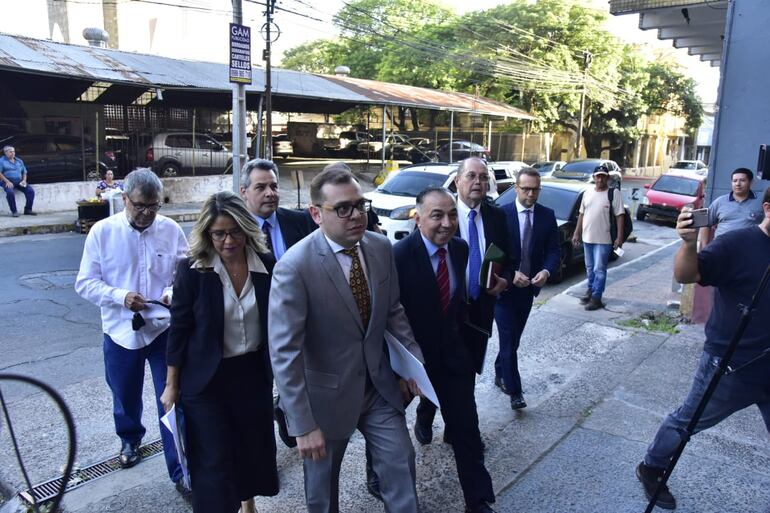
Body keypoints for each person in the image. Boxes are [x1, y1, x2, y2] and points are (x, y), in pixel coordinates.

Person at [268, 166, 423, 513]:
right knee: (322, 495)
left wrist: (414, 367)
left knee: (401, 465)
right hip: (324, 402)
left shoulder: (381, 248)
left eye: (359, 204)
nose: (355, 215)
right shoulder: (295, 267)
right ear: (315, 214)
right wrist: (302, 424)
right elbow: (284, 353)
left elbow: (394, 311)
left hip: (379, 388)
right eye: (342, 208)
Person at [636, 187, 770, 511]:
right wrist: (686, 242)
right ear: (767, 208)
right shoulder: (739, 243)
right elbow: (687, 273)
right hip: (730, 366)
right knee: (688, 421)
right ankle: (651, 466)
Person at [161, 191, 279, 513]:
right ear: (207, 234)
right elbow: (179, 329)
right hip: (206, 379)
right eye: (219, 234)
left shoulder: (266, 265)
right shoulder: (193, 270)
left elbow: (279, 322)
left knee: (248, 446)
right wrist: (171, 385)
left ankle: (248, 504)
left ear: (246, 227)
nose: (228, 241)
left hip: (252, 374)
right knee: (213, 458)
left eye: (235, 231)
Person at [75, 169, 187, 492]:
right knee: (124, 394)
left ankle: (181, 470)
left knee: (172, 400)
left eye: (154, 206)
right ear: (124, 199)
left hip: (162, 329)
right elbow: (85, 283)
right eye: (140, 206)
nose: (148, 213)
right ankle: (130, 439)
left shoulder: (171, 230)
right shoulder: (101, 233)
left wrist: (170, 293)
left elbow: (184, 274)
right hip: (120, 331)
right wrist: (119, 297)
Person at [394, 186, 497, 513]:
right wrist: (397, 368)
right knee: (388, 427)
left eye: (452, 214)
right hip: (410, 360)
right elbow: (387, 313)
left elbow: (459, 302)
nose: (446, 222)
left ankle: (478, 500)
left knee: (466, 429)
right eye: (437, 215)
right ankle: (376, 471)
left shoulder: (460, 249)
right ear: (419, 217)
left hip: (454, 356)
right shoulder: (397, 256)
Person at [414, 157, 510, 445]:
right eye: (471, 176)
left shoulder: (497, 216)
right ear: (458, 181)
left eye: (483, 177)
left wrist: (504, 280)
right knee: (434, 370)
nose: (478, 182)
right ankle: (426, 413)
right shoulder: (441, 212)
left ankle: (460, 429)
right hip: (442, 310)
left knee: (467, 371)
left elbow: (507, 256)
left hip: (478, 311)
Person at [494, 167, 560, 410]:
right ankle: (515, 392)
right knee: (509, 339)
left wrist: (547, 271)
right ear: (516, 188)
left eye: (535, 189)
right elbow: (494, 254)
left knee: (514, 339)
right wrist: (509, 276)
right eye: (526, 189)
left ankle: (500, 370)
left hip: (528, 289)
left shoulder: (546, 215)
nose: (531, 194)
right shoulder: (501, 215)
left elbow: (554, 250)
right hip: (504, 289)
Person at [571, 164, 625, 311]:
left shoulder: (614, 194)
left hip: (604, 239)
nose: (600, 179)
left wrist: (619, 238)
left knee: (599, 269)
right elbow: (582, 214)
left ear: (607, 178)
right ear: (594, 178)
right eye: (598, 176)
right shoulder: (587, 193)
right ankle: (590, 290)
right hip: (587, 237)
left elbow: (620, 216)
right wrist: (577, 233)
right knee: (589, 268)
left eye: (603, 176)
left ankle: (597, 297)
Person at [240, 158, 316, 260]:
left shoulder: (301, 220)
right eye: (260, 187)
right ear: (244, 192)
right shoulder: (237, 228)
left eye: (274, 186)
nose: (270, 193)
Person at [699, 167, 764, 247]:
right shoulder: (720, 202)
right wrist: (704, 246)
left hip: (749, 250)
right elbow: (705, 223)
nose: (738, 184)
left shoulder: (761, 202)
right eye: (734, 181)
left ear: (751, 182)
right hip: (721, 249)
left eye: (742, 180)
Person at [0, 145, 36, 217]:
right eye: (10, 152)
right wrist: (7, 181)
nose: (13, 153)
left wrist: (24, 180)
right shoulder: (1, 161)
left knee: (30, 191)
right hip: (7, 181)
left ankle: (28, 210)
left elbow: (24, 172)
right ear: (5, 153)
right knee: (10, 192)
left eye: (13, 151)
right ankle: (14, 211)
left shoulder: (19, 161)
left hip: (19, 181)